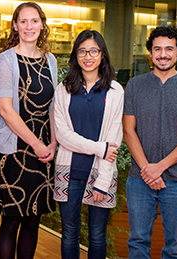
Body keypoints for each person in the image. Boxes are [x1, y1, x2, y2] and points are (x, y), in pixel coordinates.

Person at [123, 26, 177, 258]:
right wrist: (147, 170)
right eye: (157, 49)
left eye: (169, 49)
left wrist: (159, 168)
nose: (163, 54)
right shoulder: (134, 85)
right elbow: (128, 131)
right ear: (150, 53)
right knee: (137, 242)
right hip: (139, 180)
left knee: (175, 247)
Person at [0, 2, 58, 259]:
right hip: (15, 150)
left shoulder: (50, 60)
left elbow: (54, 106)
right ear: (15, 25)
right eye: (23, 21)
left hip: (44, 151)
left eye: (34, 21)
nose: (29, 26)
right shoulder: (6, 59)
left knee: (33, 220)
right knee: (11, 222)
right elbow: (6, 110)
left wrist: (52, 143)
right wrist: (38, 145)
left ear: (42, 24)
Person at [53, 30, 124, 259]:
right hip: (69, 172)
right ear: (75, 55)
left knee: (97, 235)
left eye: (94, 50)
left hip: (101, 172)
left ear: (102, 55)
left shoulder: (115, 91)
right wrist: (99, 148)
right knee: (69, 234)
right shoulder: (64, 89)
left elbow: (113, 138)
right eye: (82, 51)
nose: (88, 56)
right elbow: (62, 135)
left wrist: (103, 182)